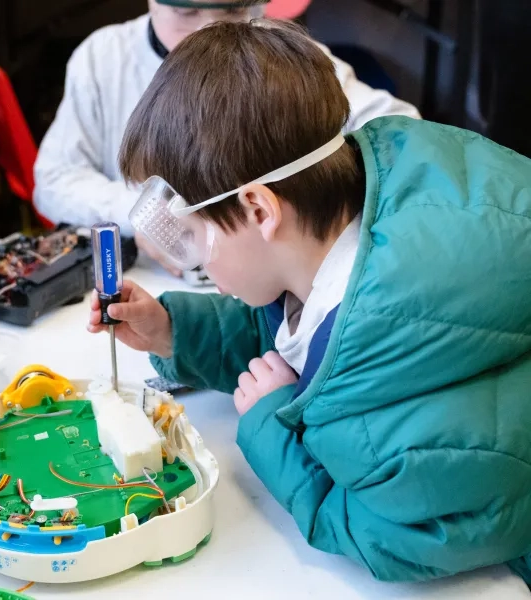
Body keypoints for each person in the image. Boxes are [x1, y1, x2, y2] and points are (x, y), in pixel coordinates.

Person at [88, 20, 531, 583]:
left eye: (195, 238)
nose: (193, 260)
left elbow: (394, 540)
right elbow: (291, 329)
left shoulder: (399, 407)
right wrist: (175, 330)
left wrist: (271, 430)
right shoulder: (358, 223)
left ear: (259, 210)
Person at [33, 0, 420, 274]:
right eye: (186, 11)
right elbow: (53, 181)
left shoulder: (289, 61)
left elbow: (404, 133)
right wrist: (149, 216)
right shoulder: (103, 59)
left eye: (234, 10)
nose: (208, 31)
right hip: (154, 277)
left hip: (258, 286)